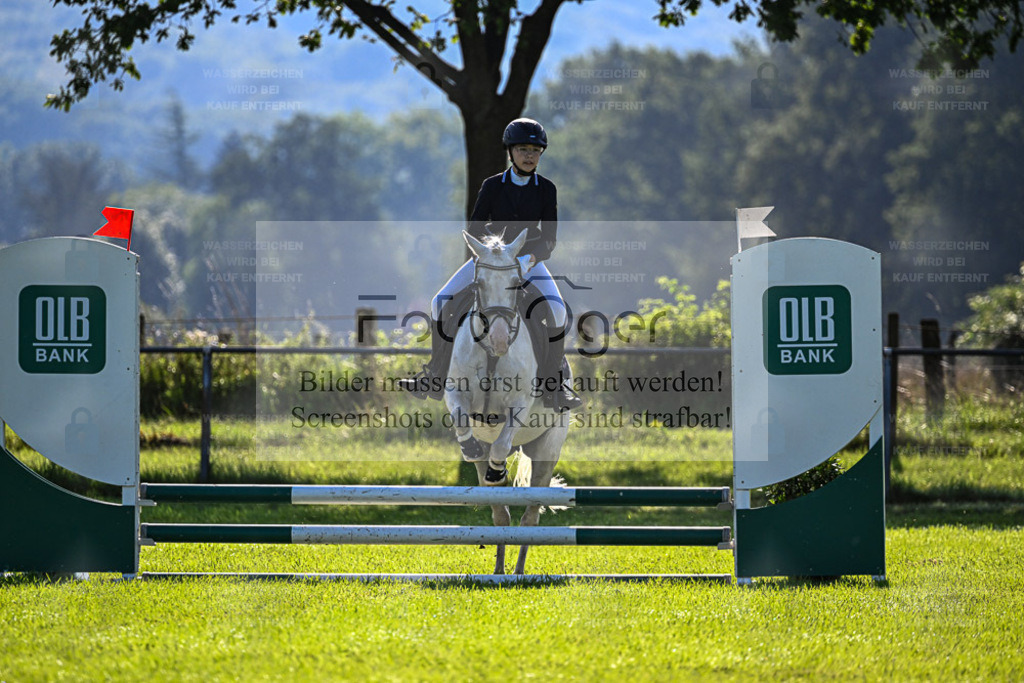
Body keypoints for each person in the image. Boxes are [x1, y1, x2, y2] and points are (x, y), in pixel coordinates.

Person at [399, 117, 581, 412]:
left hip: (527, 262)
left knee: (558, 311)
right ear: (510, 151)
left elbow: (548, 239)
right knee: (438, 302)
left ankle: (554, 385)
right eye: (523, 149)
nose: (530, 155)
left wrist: (525, 260)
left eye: (535, 150)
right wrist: (492, 254)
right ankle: (434, 375)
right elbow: (475, 226)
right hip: (489, 260)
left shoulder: (547, 189)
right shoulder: (492, 185)